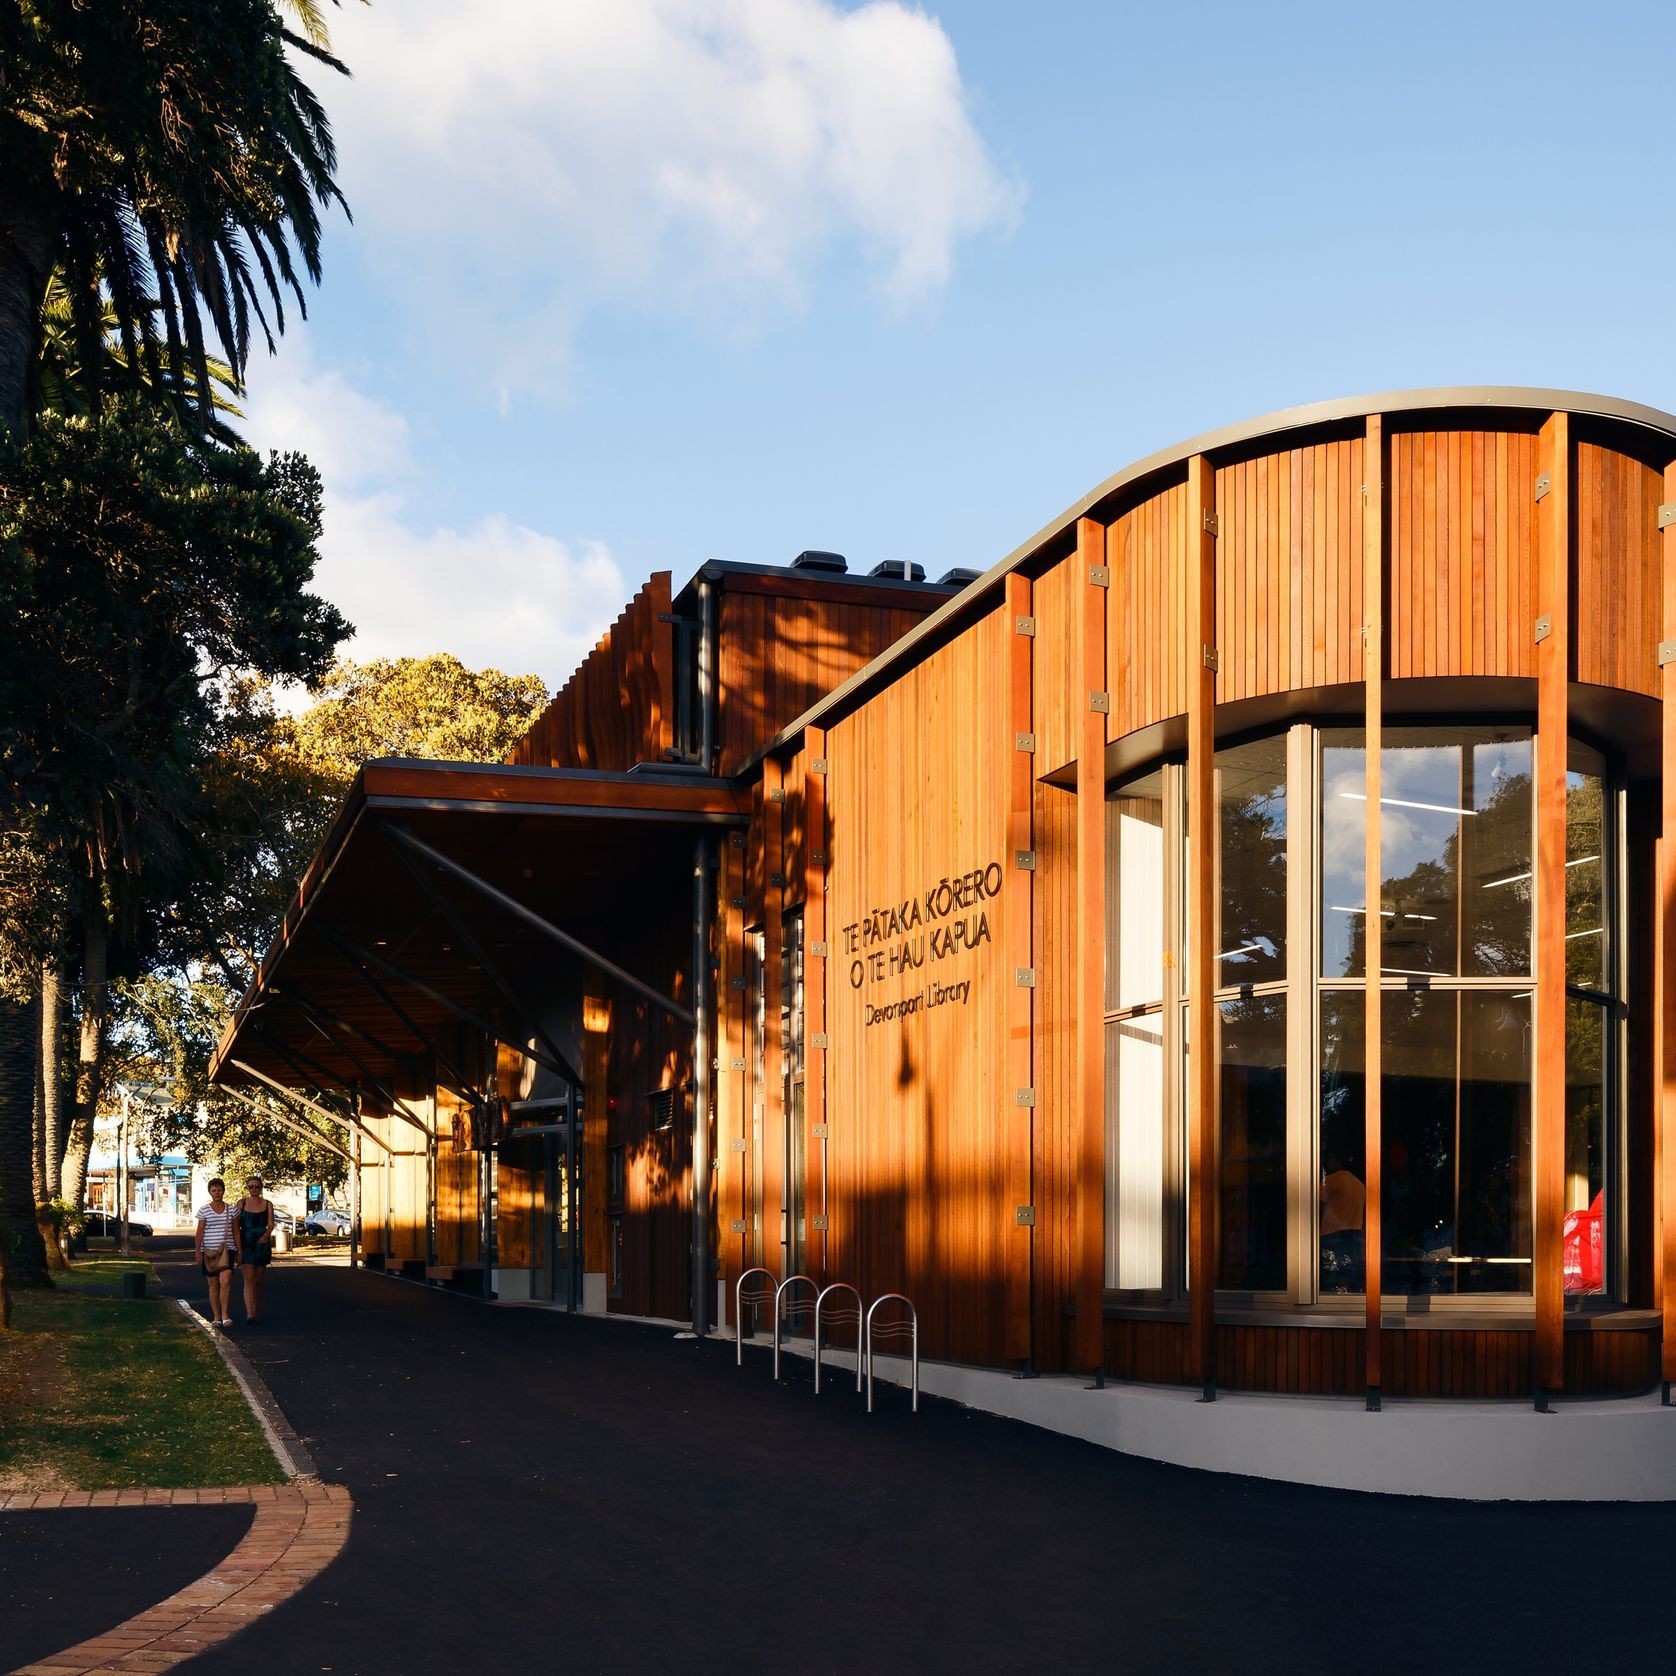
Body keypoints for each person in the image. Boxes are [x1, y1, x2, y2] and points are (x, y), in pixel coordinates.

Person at [194, 1177, 239, 1327]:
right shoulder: (204, 1210)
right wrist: (198, 1251)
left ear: (223, 1191)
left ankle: (225, 1314)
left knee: (225, 1281)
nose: (217, 1193)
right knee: (213, 1284)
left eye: (219, 1190)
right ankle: (216, 1316)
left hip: (228, 1250)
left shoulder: (232, 1210)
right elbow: (200, 1231)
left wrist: (240, 1250)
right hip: (209, 1252)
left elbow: (236, 1232)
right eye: (214, 1190)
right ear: (210, 1192)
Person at [235, 1174, 277, 1325]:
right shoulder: (242, 1203)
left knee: (258, 1280)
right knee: (249, 1279)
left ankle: (256, 1310)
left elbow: (271, 1223)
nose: (254, 1189)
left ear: (261, 1188)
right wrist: (237, 1246)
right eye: (251, 1187)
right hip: (246, 1240)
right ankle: (249, 1313)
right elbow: (235, 1224)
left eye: (257, 1186)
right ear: (247, 1188)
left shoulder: (268, 1204)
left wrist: (266, 1235)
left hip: (261, 1241)